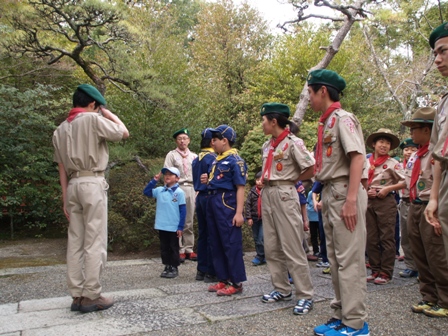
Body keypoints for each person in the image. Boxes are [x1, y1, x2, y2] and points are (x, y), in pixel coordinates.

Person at [52, 84, 129, 313]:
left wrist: (65, 197)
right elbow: (123, 132)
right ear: (93, 103)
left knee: (75, 240)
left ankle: (76, 295)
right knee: (95, 240)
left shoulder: (60, 130)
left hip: (73, 186)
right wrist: (107, 113)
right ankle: (92, 295)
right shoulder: (94, 120)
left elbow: (62, 168)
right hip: (92, 182)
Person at [306, 69, 369, 336]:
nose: (308, 98)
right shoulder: (327, 122)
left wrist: (352, 199)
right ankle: (341, 313)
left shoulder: (344, 119)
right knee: (334, 258)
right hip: (333, 192)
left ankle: (356, 323)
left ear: (323, 91)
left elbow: (357, 158)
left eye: (310, 92)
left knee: (349, 260)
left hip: (345, 192)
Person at [258, 102, 315, 316]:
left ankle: (305, 295)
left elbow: (310, 168)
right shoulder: (268, 145)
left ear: (274, 121)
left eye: (264, 120)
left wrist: (292, 179)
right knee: (271, 246)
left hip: (285, 194)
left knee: (292, 247)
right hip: (269, 193)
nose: (262, 124)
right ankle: (281, 289)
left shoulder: (293, 143)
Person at [402, 107, 448, 318]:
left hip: (430, 204)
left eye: (415, 129)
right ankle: (428, 296)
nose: (411, 134)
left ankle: (445, 299)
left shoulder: (437, 153)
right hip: (415, 204)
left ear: (428, 131)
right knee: (419, 252)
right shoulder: (416, 154)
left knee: (436, 254)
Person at [201, 125, 247, 296]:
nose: (212, 143)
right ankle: (223, 278)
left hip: (226, 202)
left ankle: (236, 282)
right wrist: (207, 180)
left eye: (215, 140)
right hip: (212, 200)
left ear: (224, 141)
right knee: (216, 241)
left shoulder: (235, 160)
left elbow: (240, 187)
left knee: (230, 242)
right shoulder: (217, 159)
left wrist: (239, 212)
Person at [365, 128, 406, 286]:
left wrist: (387, 189)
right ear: (374, 144)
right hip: (368, 200)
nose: (384, 145)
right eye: (381, 142)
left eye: (387, 143)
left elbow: (405, 181)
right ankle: (375, 269)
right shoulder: (365, 162)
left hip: (385, 201)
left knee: (386, 237)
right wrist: (367, 191)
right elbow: (359, 180)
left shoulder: (393, 163)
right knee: (371, 237)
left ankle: (386, 272)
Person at [425, 22, 448, 270]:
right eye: (435, 55)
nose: (438, 60)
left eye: (443, 51)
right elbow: (438, 155)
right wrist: (434, 198)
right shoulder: (443, 105)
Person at [143, 167, 186, 279]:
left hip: (173, 226)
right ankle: (167, 265)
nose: (167, 176)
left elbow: (183, 210)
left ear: (177, 178)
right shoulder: (160, 190)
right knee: (164, 247)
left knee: (173, 247)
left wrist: (180, 226)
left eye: (171, 174)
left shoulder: (179, 192)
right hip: (162, 225)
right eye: (166, 174)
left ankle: (174, 266)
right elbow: (146, 192)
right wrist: (154, 181)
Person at [164, 128, 198, 262]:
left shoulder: (194, 156)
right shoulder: (171, 155)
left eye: (185, 138)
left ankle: (189, 248)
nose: (182, 141)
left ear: (189, 140)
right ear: (176, 141)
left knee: (189, 219)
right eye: (179, 138)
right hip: (177, 188)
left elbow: (198, 173)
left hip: (191, 188)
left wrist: (198, 189)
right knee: (177, 219)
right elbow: (167, 173)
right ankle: (179, 249)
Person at [192, 128, 218, 282]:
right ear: (211, 142)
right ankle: (210, 271)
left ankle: (200, 270)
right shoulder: (213, 158)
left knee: (202, 234)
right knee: (211, 233)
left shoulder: (196, 159)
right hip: (209, 196)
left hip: (199, 197)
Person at [397, 138, 419, 278]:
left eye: (413, 149)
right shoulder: (399, 166)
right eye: (406, 149)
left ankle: (423, 268)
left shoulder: (420, 163)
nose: (409, 152)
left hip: (417, 202)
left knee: (418, 236)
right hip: (404, 202)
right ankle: (411, 266)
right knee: (405, 236)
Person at [245, 171, 266, 266]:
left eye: (261, 180)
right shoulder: (252, 192)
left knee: (261, 238)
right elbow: (248, 205)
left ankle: (262, 255)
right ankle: (260, 255)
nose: (259, 182)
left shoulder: (266, 191)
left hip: (264, 219)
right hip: (254, 218)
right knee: (256, 238)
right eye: (257, 180)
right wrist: (248, 217)